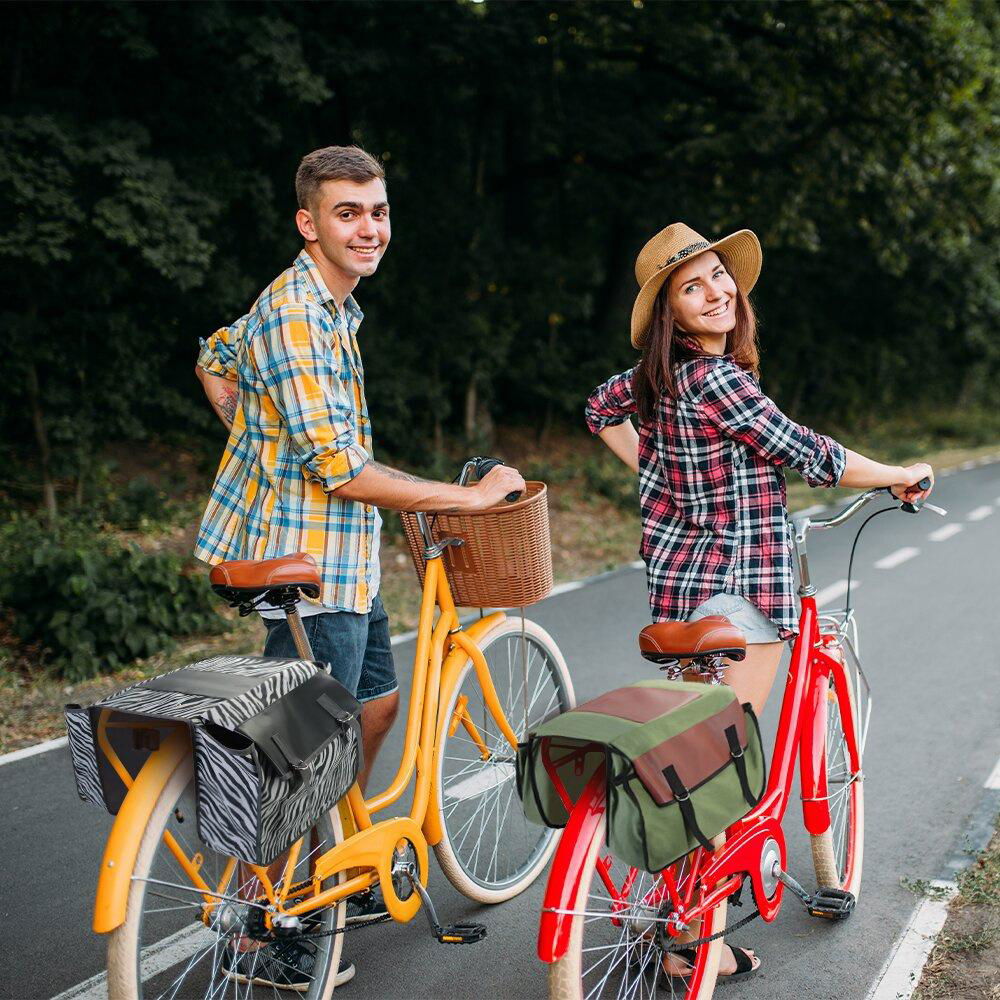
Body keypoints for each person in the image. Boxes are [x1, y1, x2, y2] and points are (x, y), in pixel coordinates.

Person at [194, 145, 524, 991]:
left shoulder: (331, 304)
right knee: (297, 754)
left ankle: (328, 863)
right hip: (305, 566)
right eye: (348, 212)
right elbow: (339, 468)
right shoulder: (300, 314)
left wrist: (248, 426)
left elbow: (217, 355)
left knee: (374, 707)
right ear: (310, 223)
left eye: (377, 211)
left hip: (349, 561)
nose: (369, 227)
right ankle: (267, 930)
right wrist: (466, 501)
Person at [585, 221, 933, 984]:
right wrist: (898, 471)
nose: (714, 292)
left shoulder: (657, 378)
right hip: (744, 589)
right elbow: (811, 453)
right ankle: (689, 941)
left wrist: (660, 474)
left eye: (719, 277)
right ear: (671, 312)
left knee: (687, 750)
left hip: (675, 591)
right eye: (692, 286)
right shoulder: (719, 381)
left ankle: (671, 898)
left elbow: (598, 409)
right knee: (721, 763)